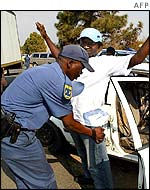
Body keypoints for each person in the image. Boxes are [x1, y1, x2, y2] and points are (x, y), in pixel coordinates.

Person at [36, 22, 149, 189]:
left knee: (98, 164)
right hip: (73, 120)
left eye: (91, 43)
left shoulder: (106, 62)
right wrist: (45, 37)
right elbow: (58, 55)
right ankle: (88, 179)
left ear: (99, 46)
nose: (86, 46)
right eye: (83, 42)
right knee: (82, 155)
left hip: (91, 123)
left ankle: (103, 186)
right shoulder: (74, 61)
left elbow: (136, 58)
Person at [1, 44, 105, 189]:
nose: (81, 72)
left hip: (13, 133)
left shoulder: (48, 71)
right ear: (70, 63)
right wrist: (92, 132)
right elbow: (69, 123)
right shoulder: (57, 82)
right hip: (17, 137)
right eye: (81, 67)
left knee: (25, 181)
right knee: (45, 182)